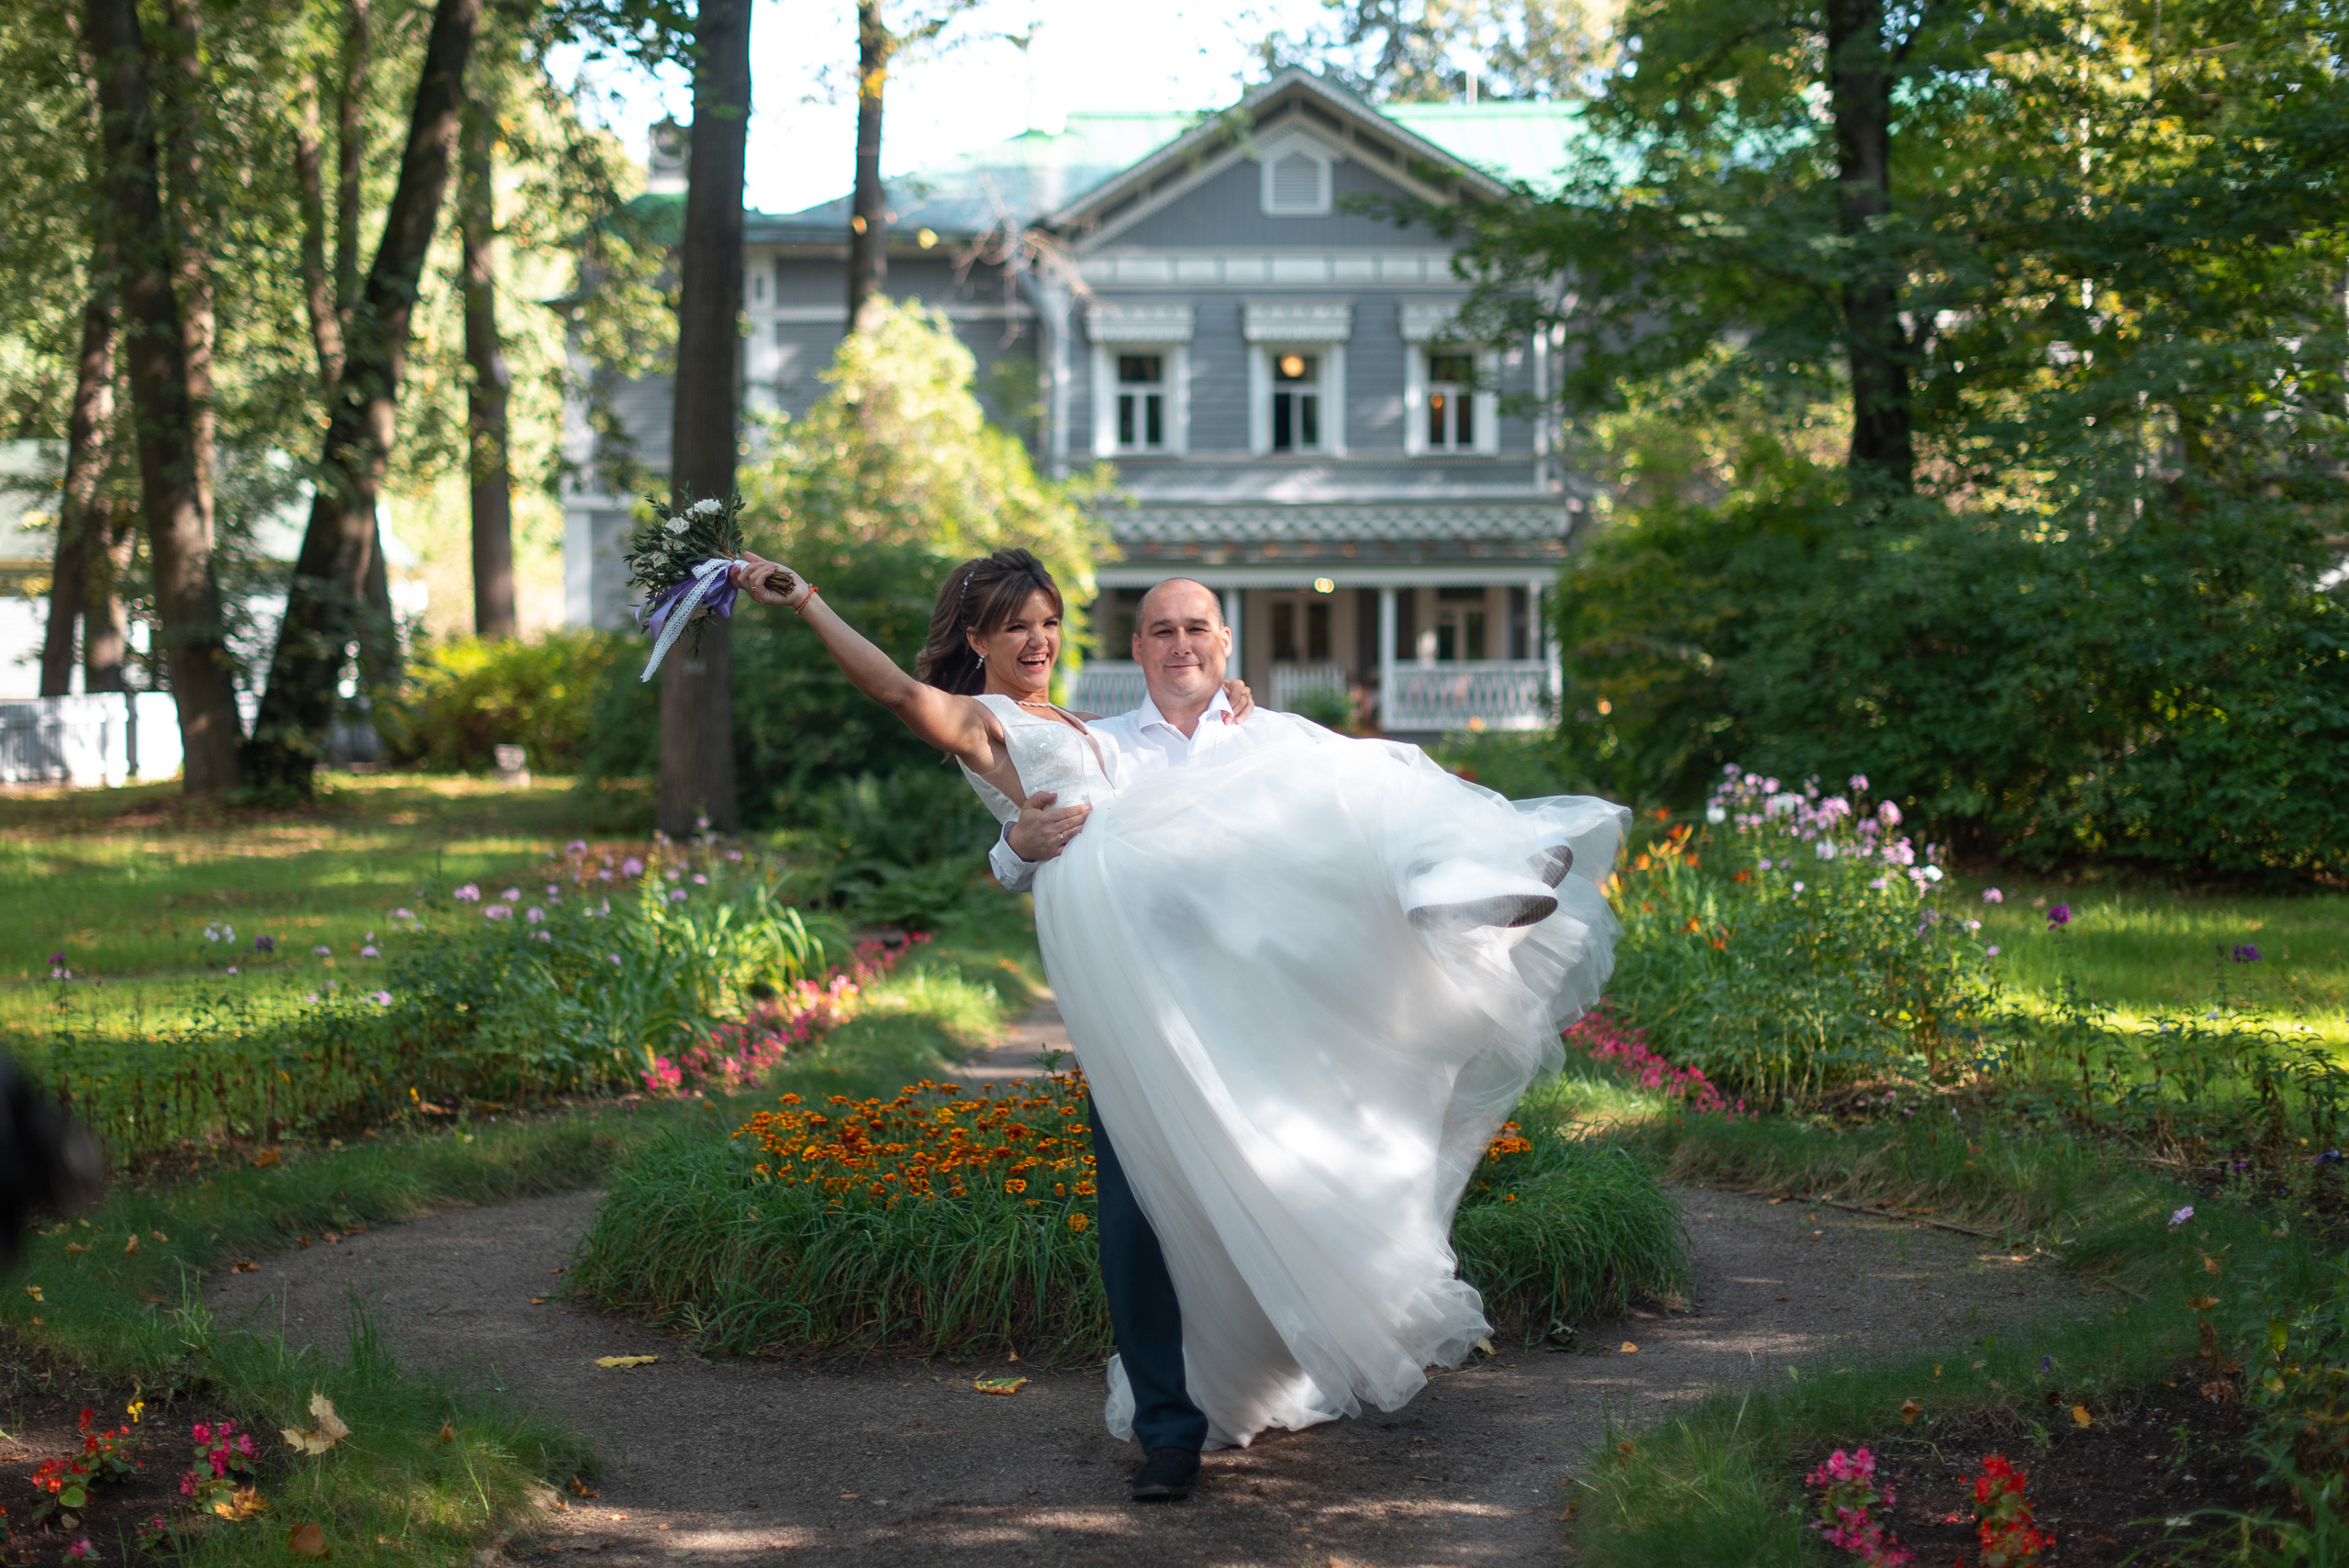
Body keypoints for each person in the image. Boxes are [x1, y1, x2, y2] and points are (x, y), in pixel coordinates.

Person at [729, 546, 1627, 1505]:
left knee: (1327, 778)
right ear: (981, 639)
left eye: (1046, 620)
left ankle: (1455, 882)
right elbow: (910, 700)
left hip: (1224, 973)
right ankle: (1167, 1427)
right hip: (1127, 968)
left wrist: (1227, 720)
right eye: (1014, 625)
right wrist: (811, 602)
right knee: (1138, 1201)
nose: (1035, 639)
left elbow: (1146, 803)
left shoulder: (1113, 725)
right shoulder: (999, 719)